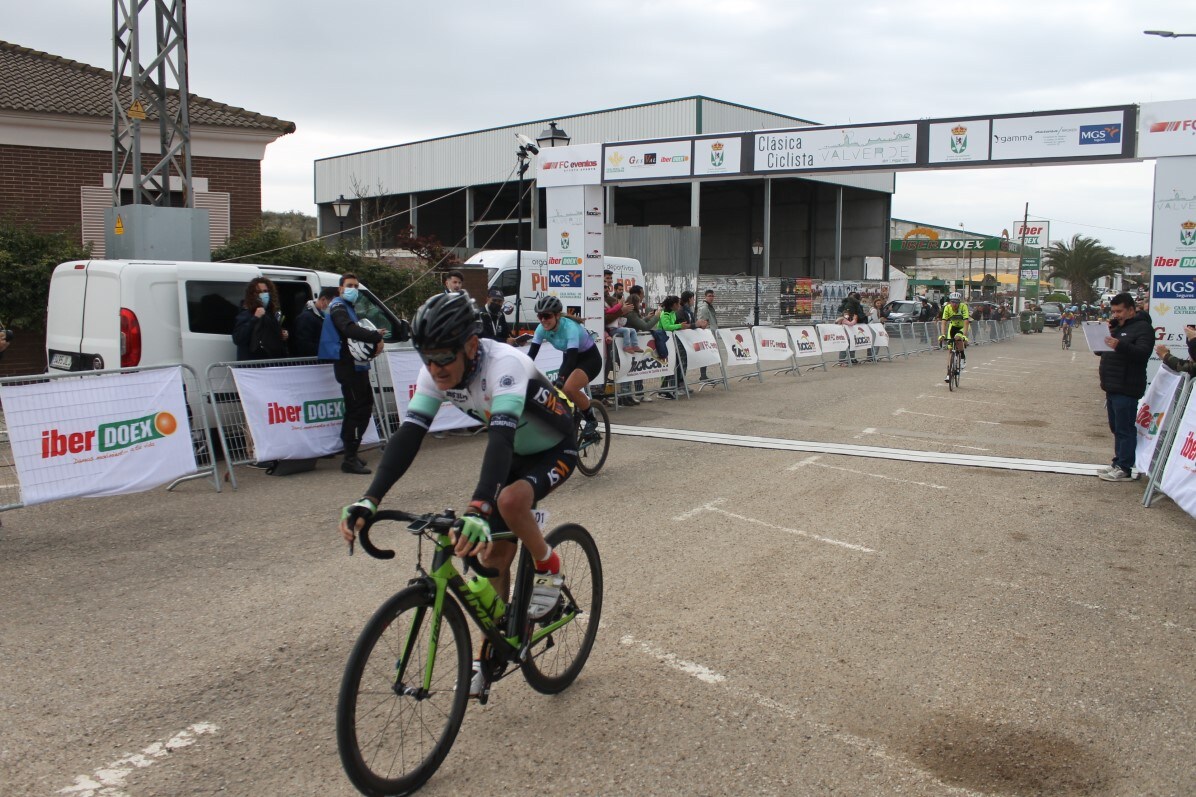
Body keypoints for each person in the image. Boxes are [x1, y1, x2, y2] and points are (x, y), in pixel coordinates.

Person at [338, 290, 574, 697]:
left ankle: (548, 565)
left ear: (469, 345)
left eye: (444, 357)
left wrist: (478, 508)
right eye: (426, 357)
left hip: (553, 446)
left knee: (509, 501)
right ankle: (493, 649)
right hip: (514, 452)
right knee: (492, 558)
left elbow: (498, 440)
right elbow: (409, 436)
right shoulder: (435, 372)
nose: (435, 368)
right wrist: (369, 499)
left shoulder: (506, 366)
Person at [318, 273, 387, 475]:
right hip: (347, 367)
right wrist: (375, 336)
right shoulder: (338, 306)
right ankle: (349, 458)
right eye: (349, 285)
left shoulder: (348, 307)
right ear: (340, 289)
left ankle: (352, 452)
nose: (353, 289)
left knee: (363, 407)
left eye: (356, 286)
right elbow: (348, 330)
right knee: (357, 409)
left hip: (357, 366)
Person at [522, 294, 603, 439]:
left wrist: (561, 377)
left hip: (589, 359)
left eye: (547, 316)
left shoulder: (570, 328)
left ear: (557, 315)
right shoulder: (541, 329)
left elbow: (572, 358)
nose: (543, 320)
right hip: (570, 358)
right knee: (558, 393)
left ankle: (591, 420)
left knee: (569, 388)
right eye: (540, 316)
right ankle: (570, 421)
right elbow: (531, 355)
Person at [1096, 292, 1153, 482]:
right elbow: (1100, 350)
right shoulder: (1117, 327)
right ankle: (1118, 462)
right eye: (1113, 311)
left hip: (1127, 386)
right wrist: (1103, 335)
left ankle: (1125, 467)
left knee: (1125, 428)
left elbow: (1142, 353)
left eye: (1119, 311)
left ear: (1131, 310)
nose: (1116, 315)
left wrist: (1119, 345)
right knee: (1116, 427)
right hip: (1112, 385)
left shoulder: (1143, 328)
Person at [232, 277, 289, 361]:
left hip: (270, 363)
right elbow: (238, 339)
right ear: (252, 294)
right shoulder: (246, 313)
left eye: (265, 291)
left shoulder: (270, 313)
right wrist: (255, 318)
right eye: (259, 292)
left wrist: (282, 334)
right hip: (252, 365)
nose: (263, 294)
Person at [294, 287, 339, 357]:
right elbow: (304, 345)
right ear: (323, 299)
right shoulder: (306, 318)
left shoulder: (325, 316)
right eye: (334, 304)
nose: (336, 308)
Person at [939, 292, 970, 381]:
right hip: (953, 326)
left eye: (956, 302)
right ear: (950, 302)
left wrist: (964, 336)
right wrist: (943, 334)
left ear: (959, 302)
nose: (954, 304)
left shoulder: (963, 307)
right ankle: (948, 374)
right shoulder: (947, 308)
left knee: (957, 338)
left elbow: (966, 321)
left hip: (962, 327)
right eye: (953, 302)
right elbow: (944, 322)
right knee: (950, 350)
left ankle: (963, 356)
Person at [696, 289, 719, 381]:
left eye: (713, 296)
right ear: (705, 296)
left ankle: (703, 375)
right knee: (705, 354)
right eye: (709, 296)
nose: (711, 298)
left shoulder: (709, 306)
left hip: (710, 332)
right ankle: (703, 375)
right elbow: (703, 321)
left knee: (707, 354)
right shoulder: (704, 307)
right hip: (706, 334)